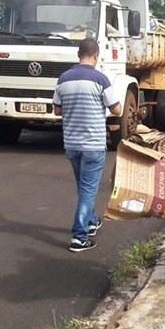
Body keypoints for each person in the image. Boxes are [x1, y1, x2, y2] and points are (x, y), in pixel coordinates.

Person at [53, 38, 122, 252]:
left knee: (84, 187)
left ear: (78, 55)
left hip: (72, 144)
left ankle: (91, 221)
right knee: (88, 189)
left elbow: (57, 110)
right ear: (96, 56)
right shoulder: (100, 79)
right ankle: (79, 236)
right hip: (93, 144)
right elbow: (117, 110)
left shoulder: (63, 79)